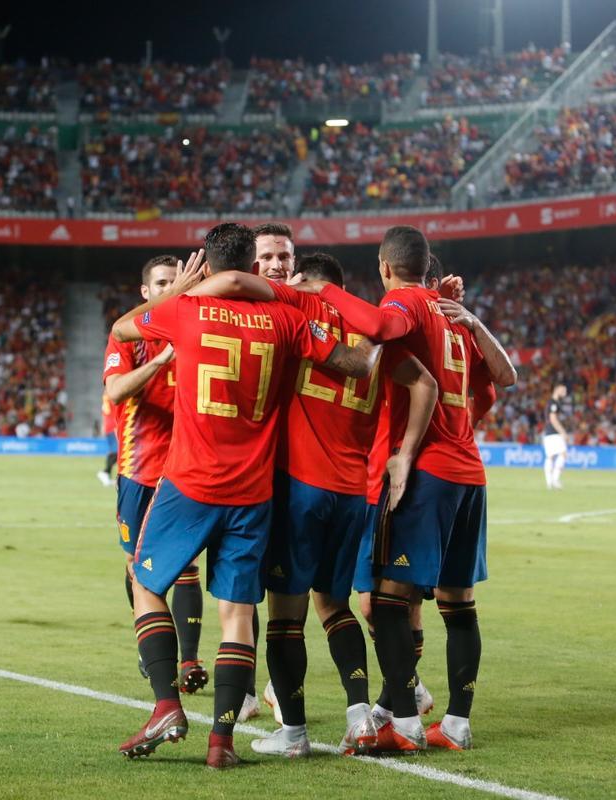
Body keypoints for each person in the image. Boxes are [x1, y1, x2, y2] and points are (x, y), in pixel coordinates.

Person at [110, 224, 376, 769]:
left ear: (207, 267)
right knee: (237, 615)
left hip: (191, 481)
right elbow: (354, 363)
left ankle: (166, 705)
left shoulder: (185, 310)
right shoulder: (287, 319)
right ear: (254, 268)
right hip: (255, 491)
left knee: (144, 581)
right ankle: (222, 742)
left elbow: (122, 328)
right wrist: (374, 337)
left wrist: (178, 289)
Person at [188, 252, 439, 757]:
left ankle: (295, 733)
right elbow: (425, 383)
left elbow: (240, 298)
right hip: (351, 495)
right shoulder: (373, 332)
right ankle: (359, 716)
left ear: (309, 283)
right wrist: (405, 454)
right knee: (335, 606)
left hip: (299, 487)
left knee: (285, 616)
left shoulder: (296, 315)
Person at [293, 225, 517, 752]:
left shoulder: (406, 304)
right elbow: (499, 382)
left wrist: (322, 290)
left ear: (385, 266)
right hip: (468, 472)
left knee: (389, 602)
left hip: (427, 474)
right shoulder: (452, 317)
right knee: (457, 604)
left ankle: (405, 722)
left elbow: (377, 324)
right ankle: (456, 724)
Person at [104, 254, 206, 695]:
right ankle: (150, 644)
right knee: (136, 567)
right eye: (163, 283)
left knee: (186, 566)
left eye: (178, 282)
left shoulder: (196, 328)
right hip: (138, 469)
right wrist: (160, 361)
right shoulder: (128, 336)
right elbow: (115, 391)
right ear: (146, 292)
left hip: (185, 469)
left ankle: (189, 660)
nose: (172, 289)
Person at [542, 384, 569, 489]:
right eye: (563, 390)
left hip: (548, 433)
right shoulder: (554, 403)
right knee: (563, 454)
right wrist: (563, 432)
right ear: (557, 390)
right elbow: (553, 419)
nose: (565, 393)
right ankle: (555, 480)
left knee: (550, 456)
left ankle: (550, 482)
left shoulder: (551, 402)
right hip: (554, 433)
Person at [96, 392, 117, 486]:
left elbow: (105, 412)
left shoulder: (106, 396)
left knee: (115, 451)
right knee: (117, 451)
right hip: (113, 426)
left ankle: (106, 474)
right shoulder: (113, 394)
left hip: (109, 425)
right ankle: (105, 472)